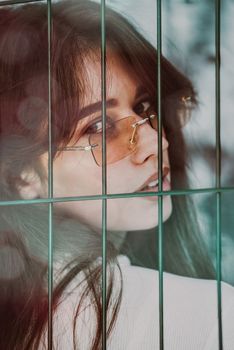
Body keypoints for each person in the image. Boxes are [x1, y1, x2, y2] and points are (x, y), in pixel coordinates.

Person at [0, 0, 233, 349]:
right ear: (20, 176)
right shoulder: (207, 316)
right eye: (98, 126)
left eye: (143, 106)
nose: (156, 141)